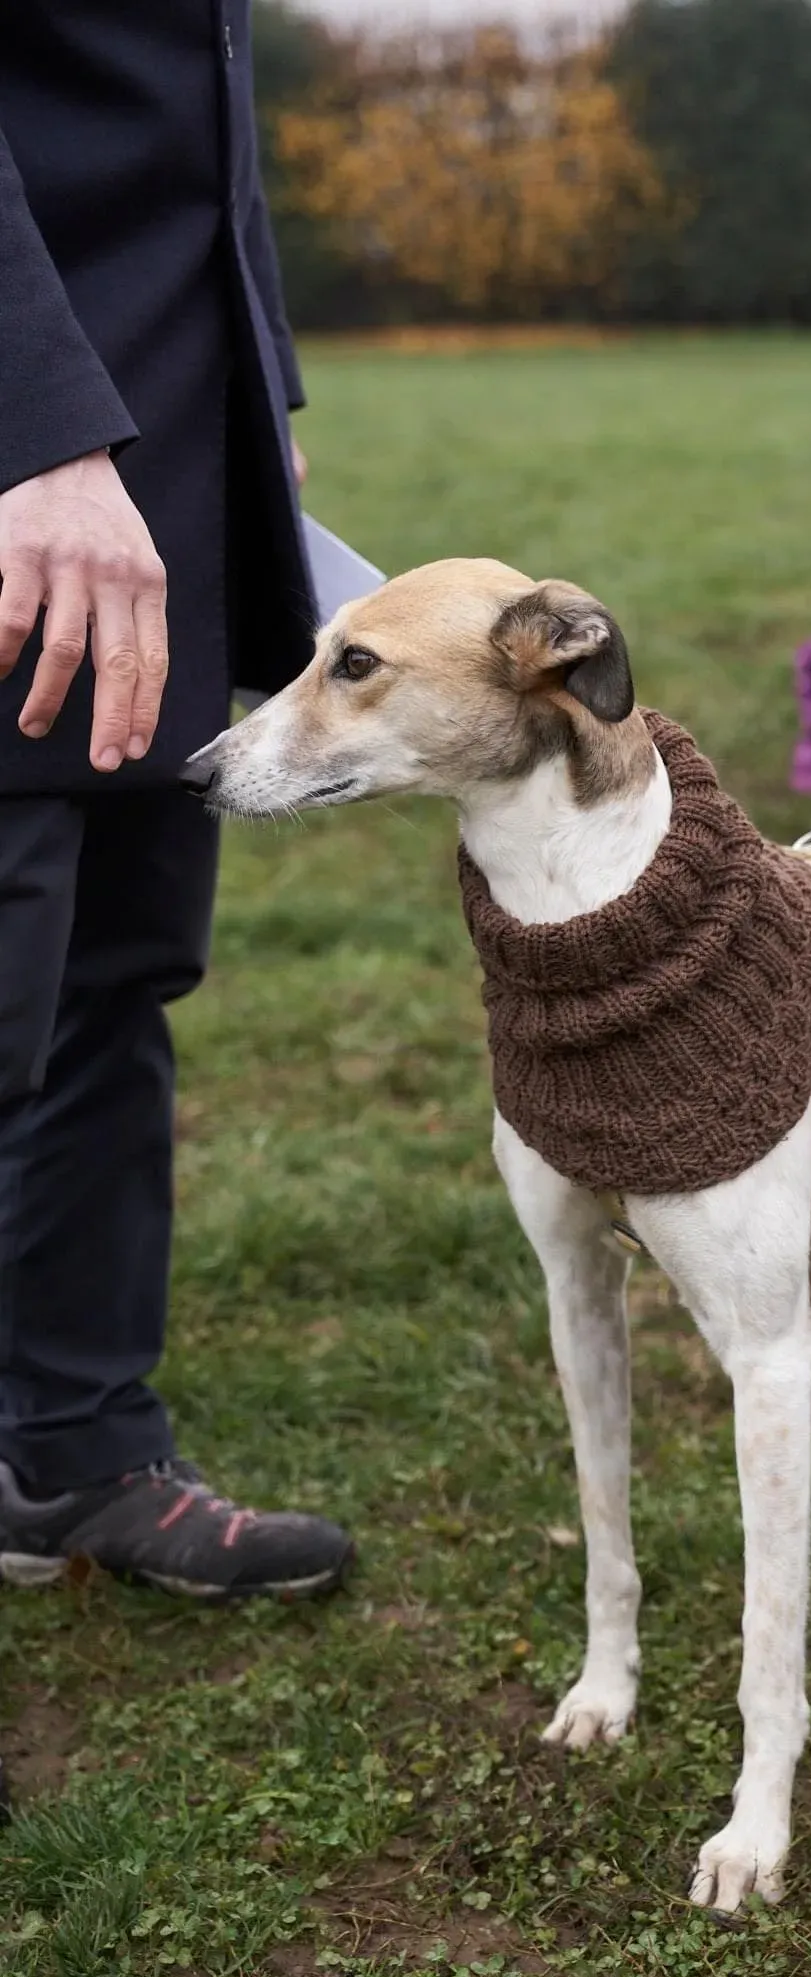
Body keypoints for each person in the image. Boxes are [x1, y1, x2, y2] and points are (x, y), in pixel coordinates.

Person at [0, 5, 353, 1600]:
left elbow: (193, 80)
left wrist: (253, 383)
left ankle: (71, 1448)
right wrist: (34, 434)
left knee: (112, 974)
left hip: (157, 422)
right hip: (36, 443)